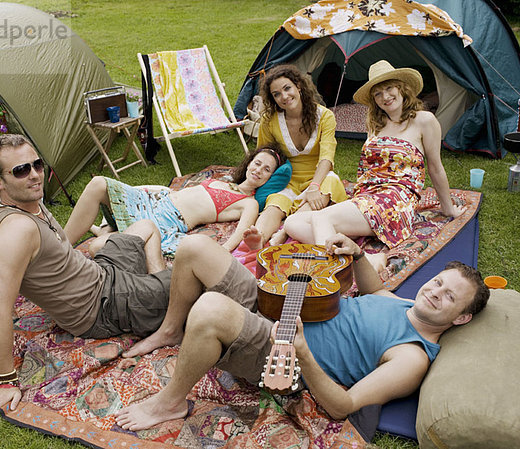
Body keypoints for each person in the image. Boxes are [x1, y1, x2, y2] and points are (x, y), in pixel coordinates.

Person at [0, 134, 263, 419]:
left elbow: (28, 268)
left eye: (37, 164)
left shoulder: (27, 201)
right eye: (21, 170)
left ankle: (160, 286)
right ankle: (241, 315)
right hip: (105, 305)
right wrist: (6, 381)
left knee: (147, 225)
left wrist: (5, 288)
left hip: (101, 273)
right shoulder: (17, 230)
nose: (35, 175)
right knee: (197, 268)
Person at [115, 233, 489, 430]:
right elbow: (376, 293)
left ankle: (171, 402)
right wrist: (357, 256)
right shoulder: (407, 304)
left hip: (285, 352)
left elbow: (343, 408)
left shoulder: (412, 357)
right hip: (287, 304)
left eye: (448, 296)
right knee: (195, 246)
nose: (434, 291)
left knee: (210, 309)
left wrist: (304, 352)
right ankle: (169, 330)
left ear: (461, 318)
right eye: (438, 282)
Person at [284, 61, 465, 270]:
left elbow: (435, 167)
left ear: (402, 88)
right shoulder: (375, 124)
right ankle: (366, 259)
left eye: (389, 88)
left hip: (395, 200)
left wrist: (447, 207)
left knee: (321, 218)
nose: (385, 97)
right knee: (292, 223)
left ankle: (331, 273)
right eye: (378, 94)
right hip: (367, 197)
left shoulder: (424, 120)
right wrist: (360, 198)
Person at [63, 145, 287, 254]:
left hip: (165, 220)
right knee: (99, 183)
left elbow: (242, 231)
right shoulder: (224, 178)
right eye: (257, 163)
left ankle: (102, 232)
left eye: (267, 170)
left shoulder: (249, 202)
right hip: (153, 201)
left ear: (270, 178)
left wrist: (224, 250)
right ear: (249, 162)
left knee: (98, 248)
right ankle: (59, 246)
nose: (259, 170)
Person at [252, 64, 347, 247]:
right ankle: (259, 236)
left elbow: (327, 157)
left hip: (318, 176)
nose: (284, 97)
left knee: (330, 183)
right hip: (288, 177)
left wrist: (314, 186)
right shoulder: (269, 121)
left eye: (287, 88)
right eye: (277, 94)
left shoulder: (325, 116)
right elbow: (265, 155)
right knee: (275, 202)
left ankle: (285, 231)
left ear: (298, 86)